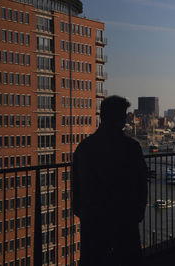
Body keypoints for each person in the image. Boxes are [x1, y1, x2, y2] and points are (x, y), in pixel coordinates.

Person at [73, 96, 148, 266]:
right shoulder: (131, 148)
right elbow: (141, 183)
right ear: (119, 118)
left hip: (93, 221)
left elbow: (75, 186)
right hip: (124, 221)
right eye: (123, 115)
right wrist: (138, 210)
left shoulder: (84, 147)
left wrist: (83, 211)